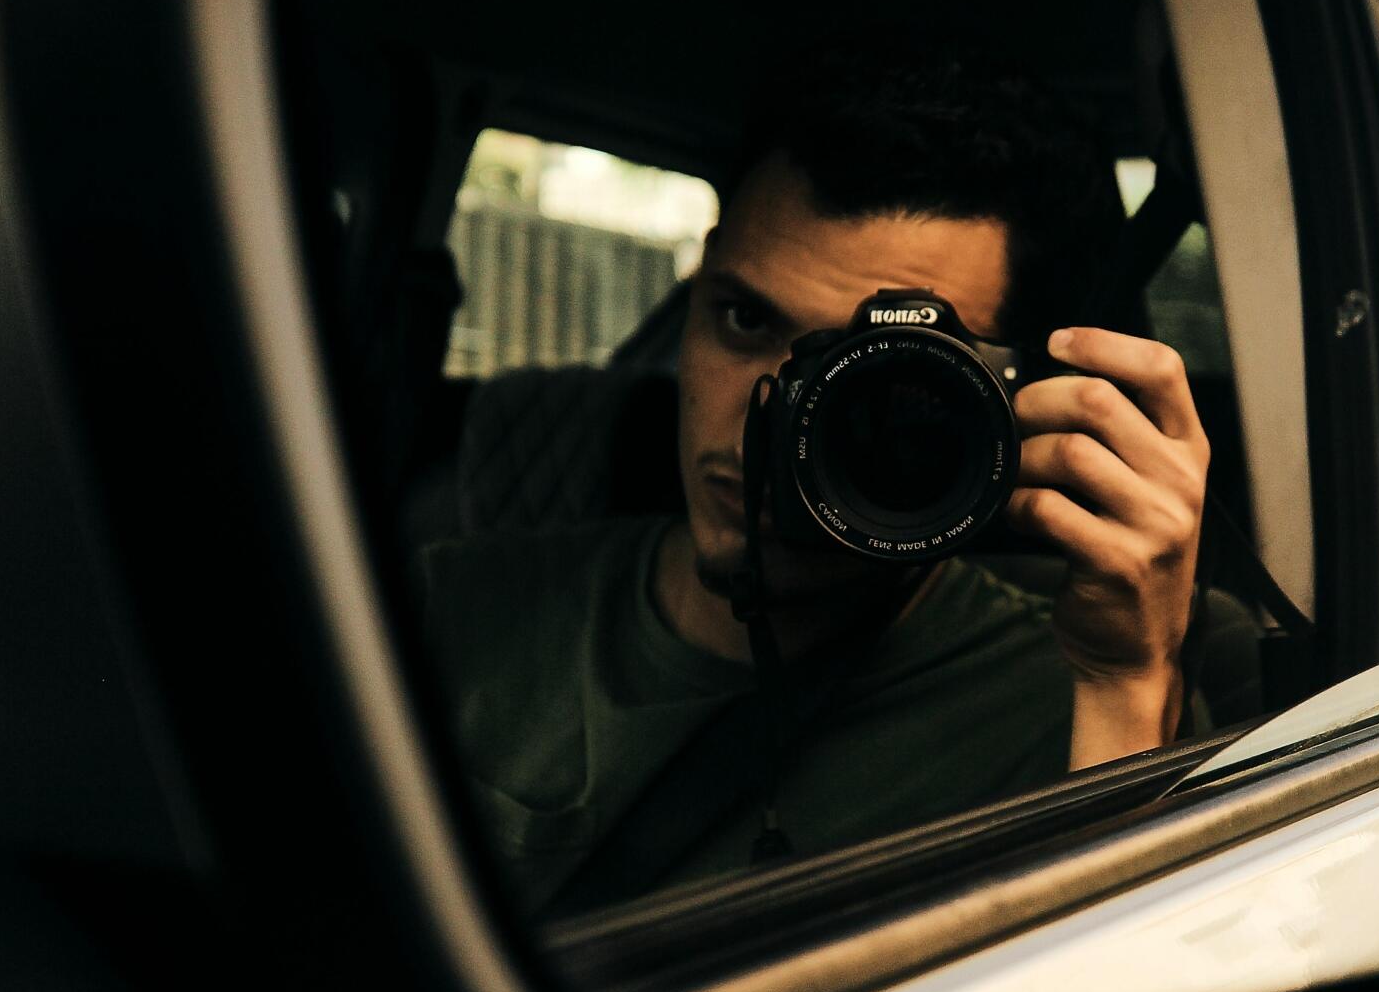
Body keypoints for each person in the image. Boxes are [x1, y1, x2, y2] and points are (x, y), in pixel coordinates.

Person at [422, 54, 1210, 914]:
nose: (767, 417)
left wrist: (1127, 687)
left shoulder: (1074, 693)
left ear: (1014, 403)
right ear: (699, 281)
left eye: (869, 375)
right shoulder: (436, 613)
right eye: (744, 318)